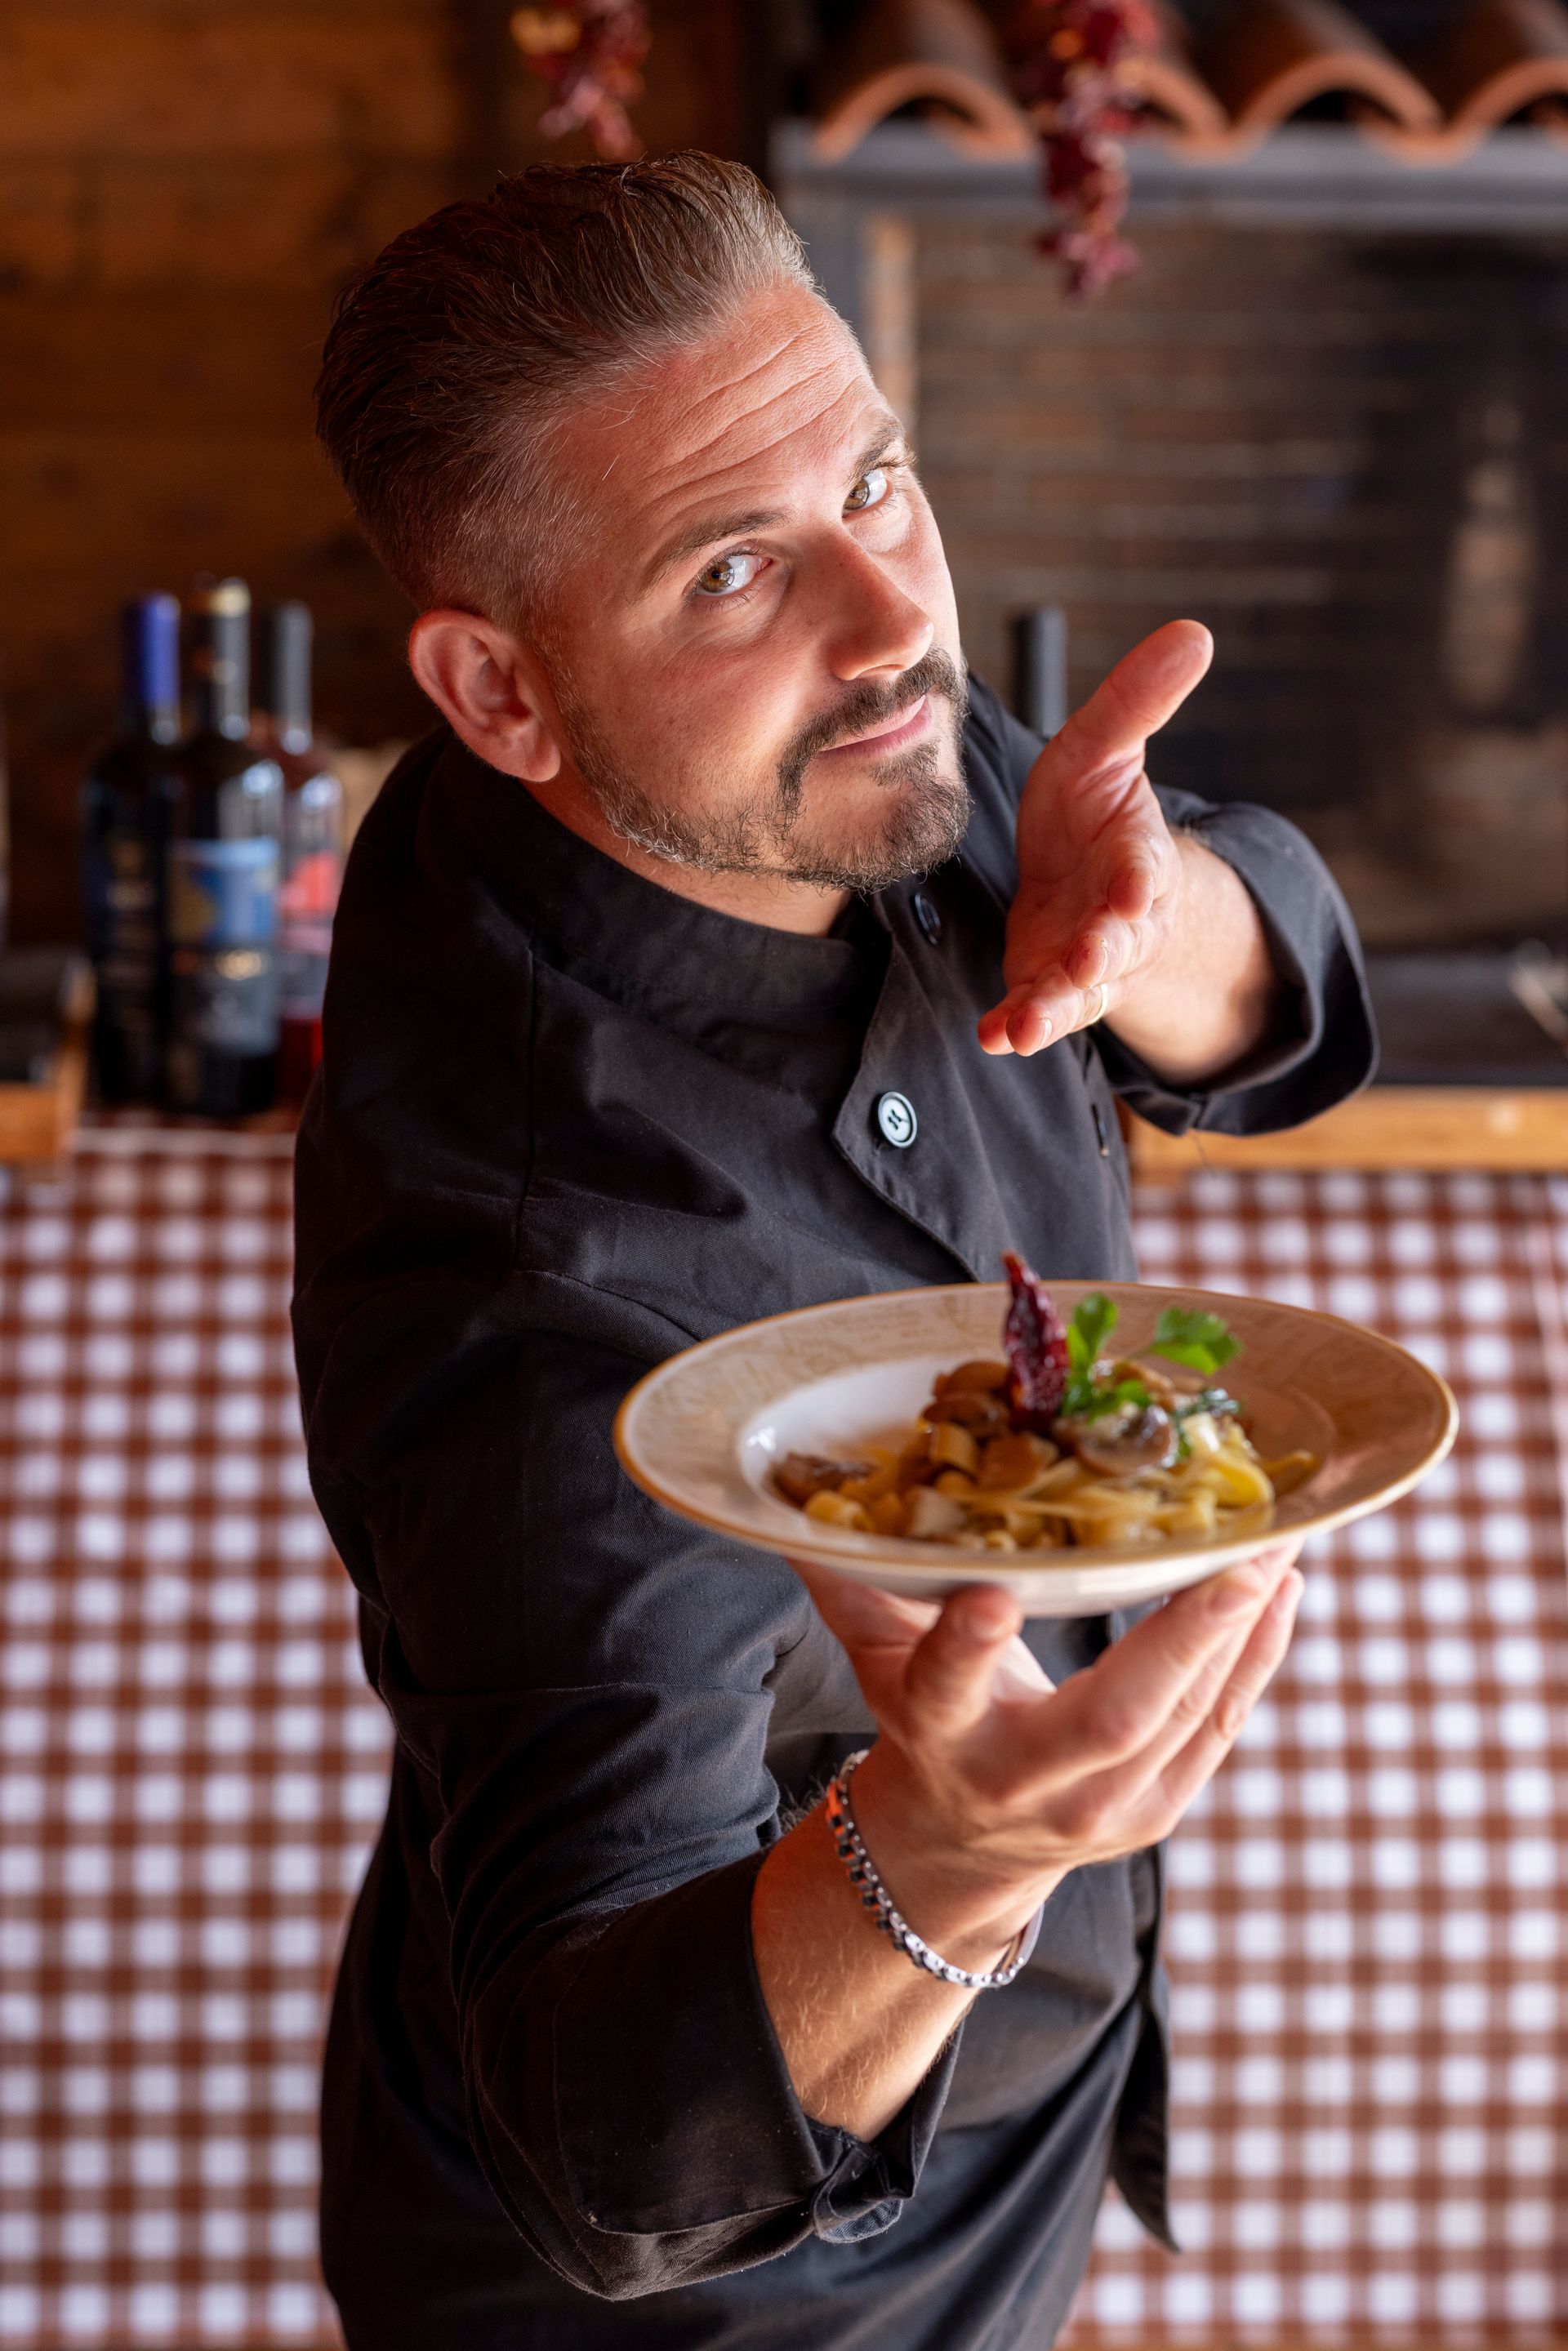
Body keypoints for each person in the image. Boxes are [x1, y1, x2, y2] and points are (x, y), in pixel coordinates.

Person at [292, 154, 1374, 2350]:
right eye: (733, 568)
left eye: (876, 478)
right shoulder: (538, 1286)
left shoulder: (802, 750)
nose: (891, 620)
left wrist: (1158, 922)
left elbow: (1264, 1018)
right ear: (499, 692)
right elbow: (608, 2149)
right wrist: (962, 1859)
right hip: (745, 2290)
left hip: (1028, 2109)